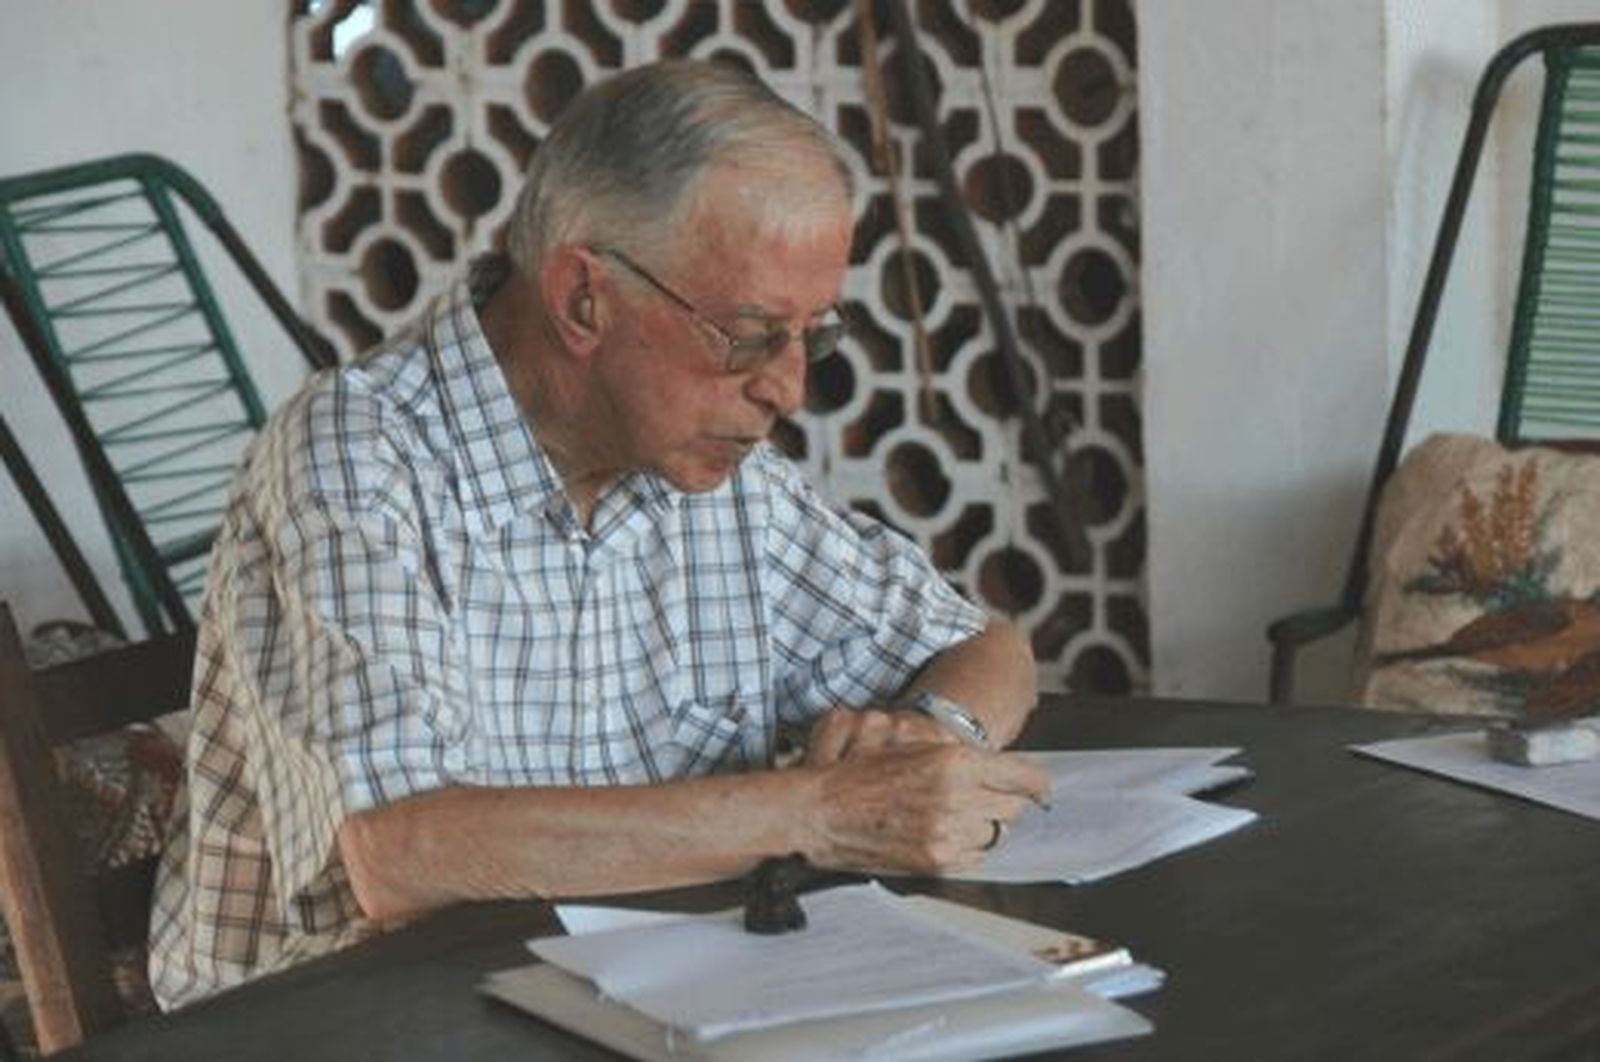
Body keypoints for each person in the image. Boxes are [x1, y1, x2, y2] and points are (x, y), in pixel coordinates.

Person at [147, 59, 1050, 1009]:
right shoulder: (358, 456)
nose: (788, 390)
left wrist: (928, 740)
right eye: (749, 336)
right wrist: (821, 812)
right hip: (333, 1018)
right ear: (586, 298)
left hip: (612, 994)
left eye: (812, 336)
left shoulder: (710, 475)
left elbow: (990, 650)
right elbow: (398, 851)